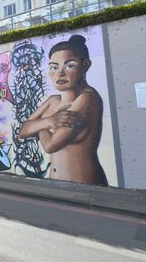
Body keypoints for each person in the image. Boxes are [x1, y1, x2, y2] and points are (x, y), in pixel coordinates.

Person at [19, 35, 108, 186]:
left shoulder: (87, 99)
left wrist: (40, 123)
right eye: (54, 67)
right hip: (58, 185)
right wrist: (49, 121)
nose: (59, 73)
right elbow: (23, 132)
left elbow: (50, 146)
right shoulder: (53, 101)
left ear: (85, 65)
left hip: (84, 186)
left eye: (69, 66)